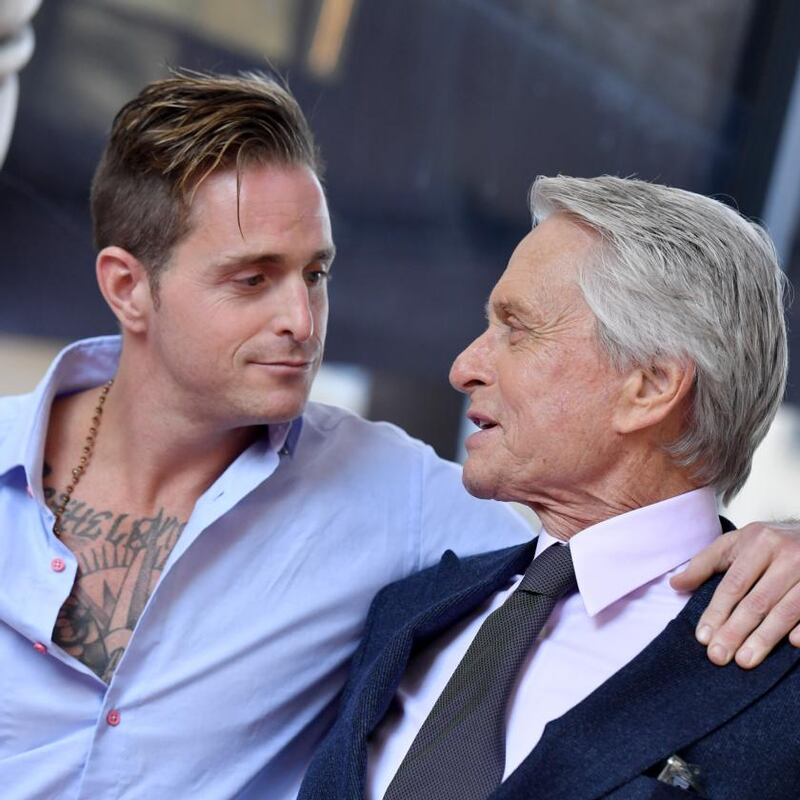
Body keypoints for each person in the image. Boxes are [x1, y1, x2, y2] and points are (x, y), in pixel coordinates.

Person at [0, 74, 796, 799]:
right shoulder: (430, 611)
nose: (301, 320)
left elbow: (632, 533)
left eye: (316, 274)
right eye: (250, 279)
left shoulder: (400, 499)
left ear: (651, 385)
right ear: (126, 287)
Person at [298, 176, 799, 800]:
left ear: (649, 387)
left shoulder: (784, 671)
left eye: (518, 328)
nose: (465, 367)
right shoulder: (409, 610)